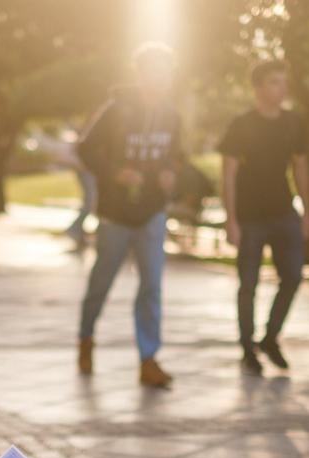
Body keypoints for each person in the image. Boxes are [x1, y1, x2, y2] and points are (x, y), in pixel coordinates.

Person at [76, 43, 183, 388]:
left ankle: (148, 360)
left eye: (165, 71)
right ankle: (86, 339)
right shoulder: (117, 111)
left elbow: (176, 156)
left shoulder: (171, 115)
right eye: (153, 70)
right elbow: (85, 148)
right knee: (101, 284)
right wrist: (115, 172)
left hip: (152, 212)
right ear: (140, 74)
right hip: (116, 214)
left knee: (151, 286)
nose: (160, 78)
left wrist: (170, 172)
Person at [219, 59, 309, 376]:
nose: (282, 87)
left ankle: (270, 338)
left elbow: (301, 167)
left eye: (283, 81)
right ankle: (248, 349)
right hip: (249, 218)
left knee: (293, 277)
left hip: (284, 213)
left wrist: (307, 212)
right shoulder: (241, 125)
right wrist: (230, 219)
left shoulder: (292, 123)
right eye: (274, 82)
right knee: (248, 285)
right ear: (258, 88)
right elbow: (228, 174)